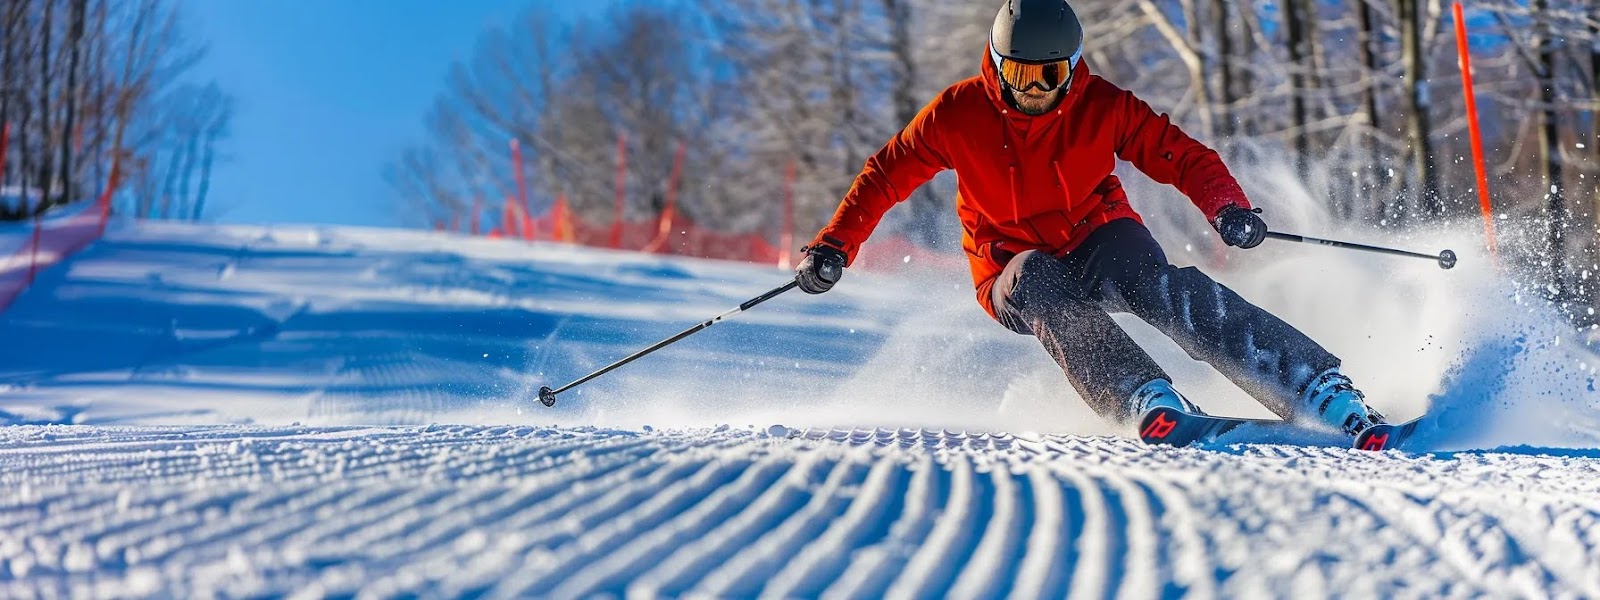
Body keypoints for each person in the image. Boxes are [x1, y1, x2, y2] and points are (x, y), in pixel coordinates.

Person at [793, 0, 1387, 436]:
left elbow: (1179, 155)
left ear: (1072, 68)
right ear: (996, 66)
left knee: (1161, 285)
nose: (1033, 91)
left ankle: (1310, 383)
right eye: (1020, 75)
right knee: (1036, 279)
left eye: (1048, 76)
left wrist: (1226, 207)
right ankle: (1141, 394)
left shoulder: (1102, 105)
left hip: (1097, 235)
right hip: (1010, 265)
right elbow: (886, 174)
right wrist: (833, 247)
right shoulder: (957, 113)